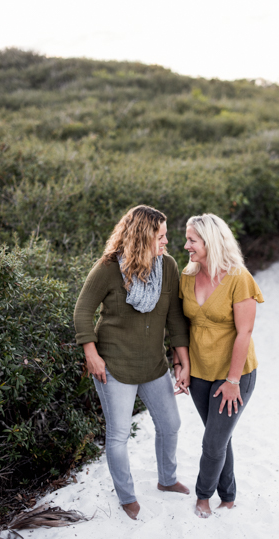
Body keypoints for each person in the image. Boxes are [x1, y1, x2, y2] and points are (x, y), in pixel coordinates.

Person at [74, 205, 191, 520]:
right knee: (118, 435)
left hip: (154, 365)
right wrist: (91, 354)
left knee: (171, 424)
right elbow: (82, 310)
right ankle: (126, 497)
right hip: (114, 366)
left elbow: (175, 318)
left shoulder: (167, 267)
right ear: (142, 237)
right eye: (161, 236)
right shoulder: (109, 268)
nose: (167, 241)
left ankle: (167, 480)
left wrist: (183, 361)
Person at [174, 213, 264, 518]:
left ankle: (203, 496)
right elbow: (179, 327)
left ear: (210, 242)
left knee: (213, 441)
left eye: (192, 240)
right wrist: (180, 364)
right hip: (199, 372)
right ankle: (229, 495)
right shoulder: (187, 276)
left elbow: (245, 332)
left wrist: (233, 380)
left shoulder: (239, 278)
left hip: (235, 375)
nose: (186, 245)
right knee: (219, 436)